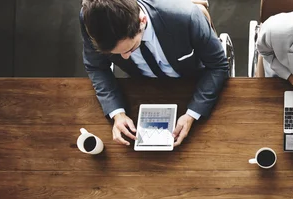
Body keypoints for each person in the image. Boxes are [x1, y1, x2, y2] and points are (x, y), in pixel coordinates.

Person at [80, 0, 229, 147]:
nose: (124, 57)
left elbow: (218, 66)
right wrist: (117, 113)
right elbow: (96, 67)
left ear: (142, 21)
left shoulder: (186, 16)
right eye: (115, 53)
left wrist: (192, 114)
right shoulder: (92, 19)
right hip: (139, 89)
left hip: (193, 83)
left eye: (130, 49)